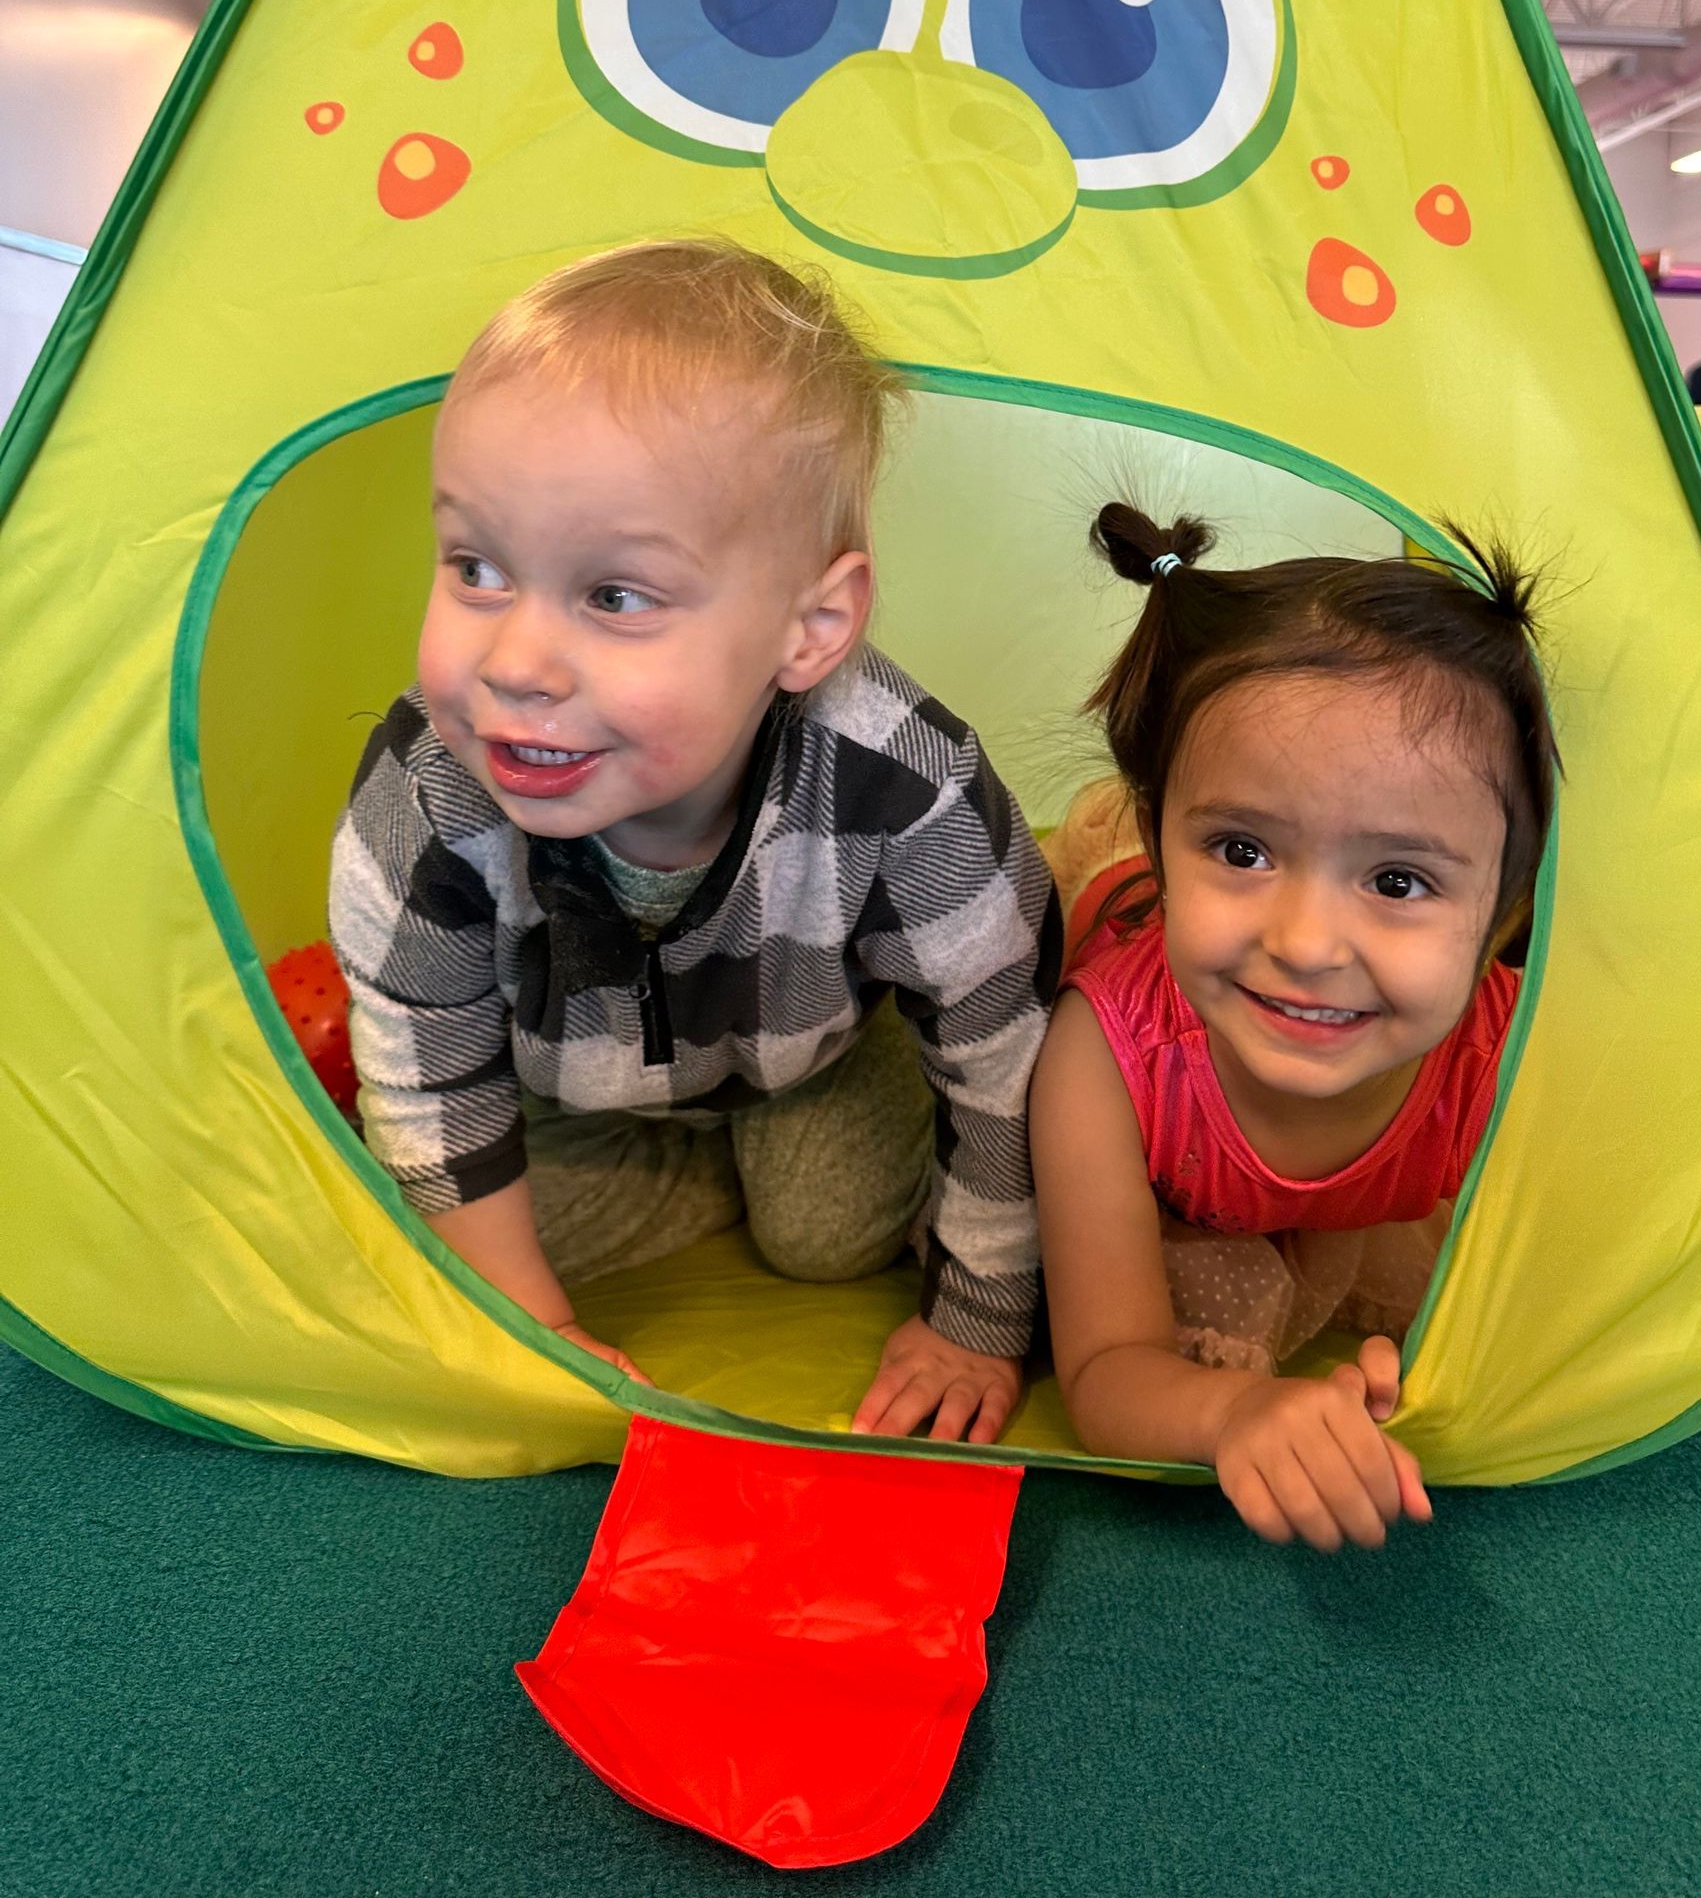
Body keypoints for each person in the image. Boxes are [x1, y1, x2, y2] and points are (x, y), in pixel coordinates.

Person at [329, 239, 1060, 1446]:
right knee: (417, 1229)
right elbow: (425, 1072)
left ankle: (755, 1158)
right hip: (563, 1083)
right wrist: (531, 1330)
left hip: (806, 1060)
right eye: (477, 567)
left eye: (616, 596)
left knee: (824, 1235)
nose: (513, 663)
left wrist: (981, 1314)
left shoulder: (906, 790)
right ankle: (676, 1169)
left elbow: (1007, 1055)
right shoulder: (430, 791)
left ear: (811, 626)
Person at [1030, 506, 1557, 1548]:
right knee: (1061, 888)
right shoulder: (1099, 1052)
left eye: (1398, 880)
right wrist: (1233, 1410)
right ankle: (1119, 844)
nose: (1309, 942)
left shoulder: (1513, 1058)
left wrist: (1444, 1372)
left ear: (1502, 915)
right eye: (1240, 851)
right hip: (1121, 906)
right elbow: (1104, 1366)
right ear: (1169, 833)